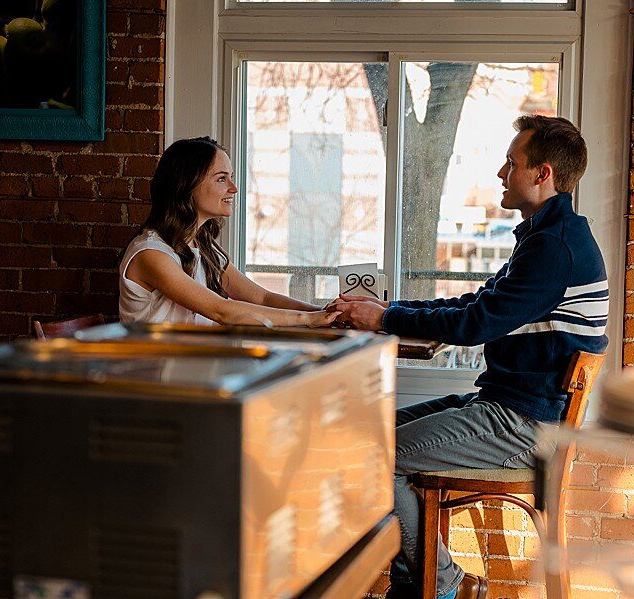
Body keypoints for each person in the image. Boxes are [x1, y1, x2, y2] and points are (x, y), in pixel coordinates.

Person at [329, 115, 609, 599]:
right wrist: (387, 311)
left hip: (524, 425)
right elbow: (475, 305)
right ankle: (422, 586)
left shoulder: (555, 248)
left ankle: (441, 587)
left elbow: (474, 325)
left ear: (542, 174)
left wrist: (384, 320)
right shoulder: (546, 238)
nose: (502, 174)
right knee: (367, 437)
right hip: (511, 408)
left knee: (374, 456)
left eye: (511, 163)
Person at [120, 136, 339, 328]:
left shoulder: (201, 246)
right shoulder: (151, 253)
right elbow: (221, 310)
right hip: (151, 372)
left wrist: (323, 312)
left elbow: (261, 298)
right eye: (222, 178)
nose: (233, 188)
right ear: (187, 185)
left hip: (189, 369)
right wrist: (309, 319)